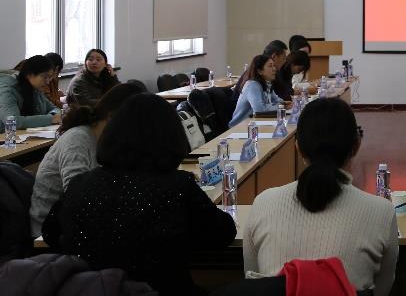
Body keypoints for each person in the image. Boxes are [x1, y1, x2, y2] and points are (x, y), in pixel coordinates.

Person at [42, 94, 236, 296]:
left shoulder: (80, 184)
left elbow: (50, 233)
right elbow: (222, 234)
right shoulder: (178, 185)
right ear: (172, 137)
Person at [243, 97, 398, 296]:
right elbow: (382, 289)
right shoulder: (381, 211)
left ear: (298, 148)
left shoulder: (263, 203)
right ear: (356, 145)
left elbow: (252, 280)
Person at [29, 82, 145, 237]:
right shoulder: (78, 139)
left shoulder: (106, 140)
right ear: (112, 117)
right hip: (50, 231)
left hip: (84, 222)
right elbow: (77, 195)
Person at [0, 55, 58, 131]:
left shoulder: (35, 88)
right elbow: (12, 122)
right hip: (5, 136)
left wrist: (53, 115)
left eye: (49, 77)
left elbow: (54, 108)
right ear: (29, 75)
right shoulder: (7, 90)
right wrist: (51, 119)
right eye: (44, 77)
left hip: (26, 135)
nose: (48, 82)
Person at [229, 54, 285, 127]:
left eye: (274, 66)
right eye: (270, 66)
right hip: (240, 127)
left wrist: (282, 104)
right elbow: (259, 110)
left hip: (256, 123)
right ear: (260, 71)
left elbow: (278, 100)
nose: (274, 69)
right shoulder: (252, 85)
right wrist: (280, 106)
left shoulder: (267, 83)